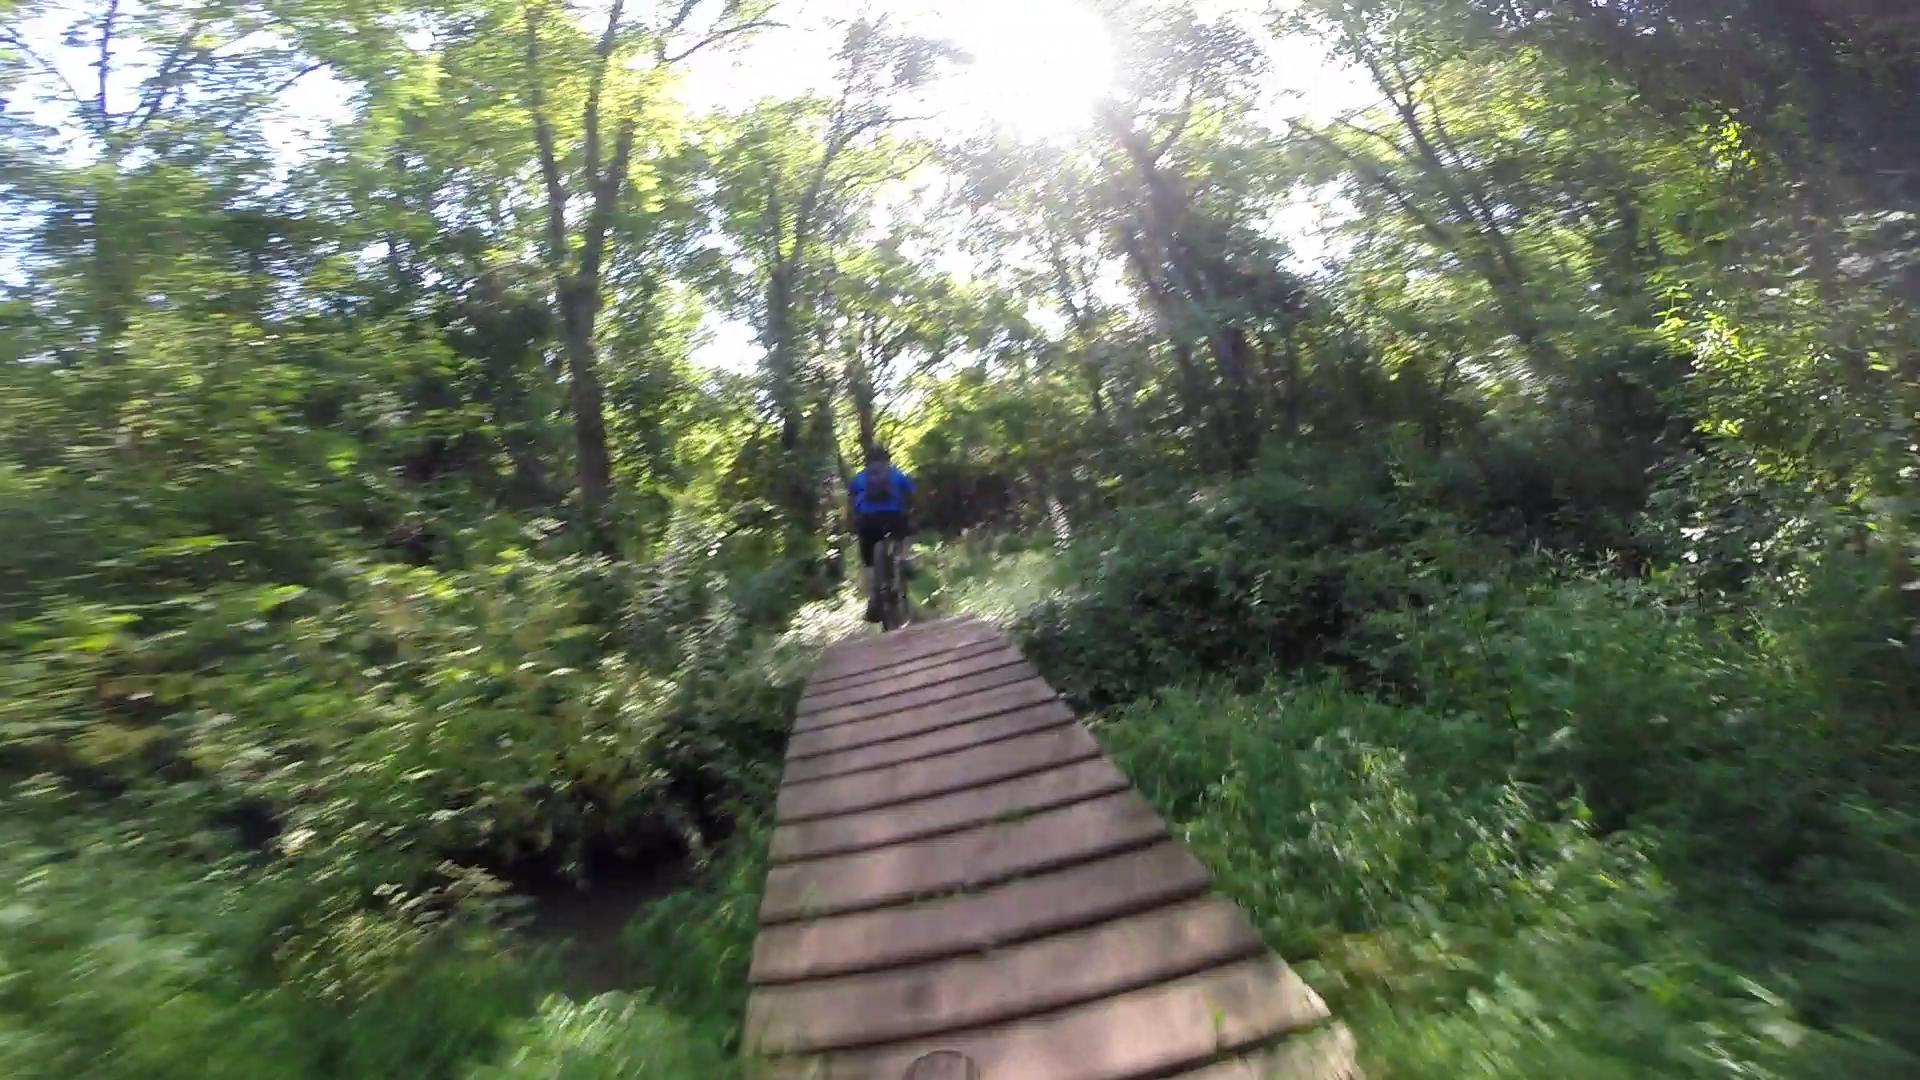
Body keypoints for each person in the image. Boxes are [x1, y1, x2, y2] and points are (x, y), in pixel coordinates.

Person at [848, 445, 915, 622]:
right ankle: (903, 558)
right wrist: (911, 509)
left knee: (868, 562)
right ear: (888, 459)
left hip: (867, 520)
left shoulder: (860, 477)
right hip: (894, 517)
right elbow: (911, 491)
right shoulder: (896, 473)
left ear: (867, 461)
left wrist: (854, 520)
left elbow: (851, 496)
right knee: (905, 532)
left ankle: (873, 597)